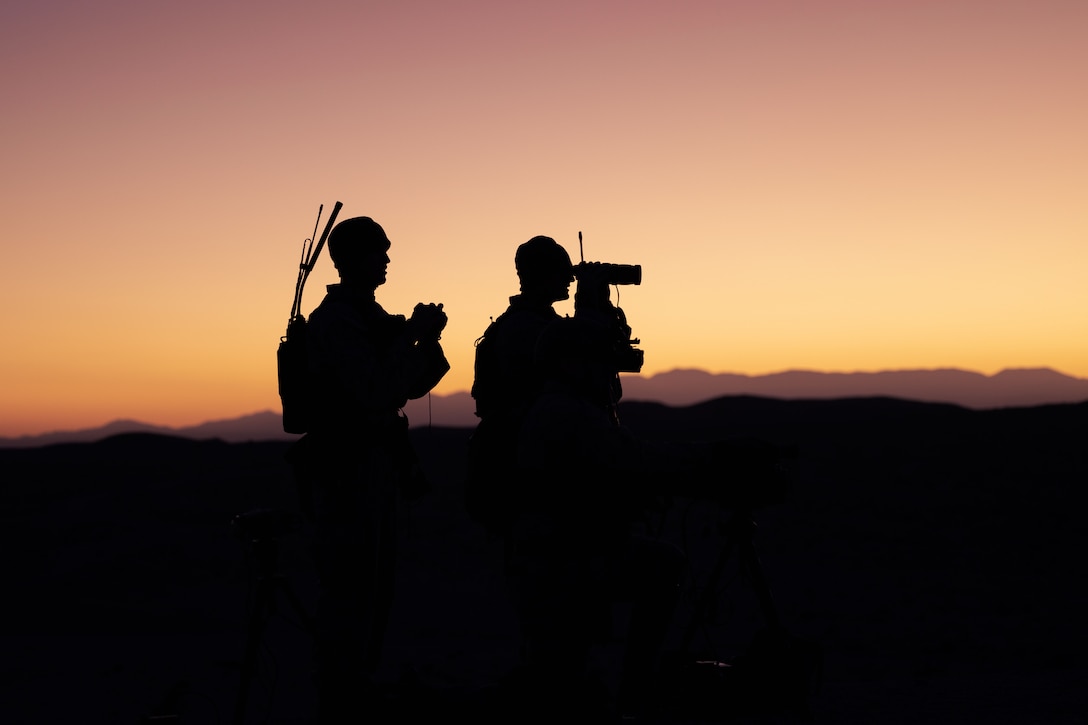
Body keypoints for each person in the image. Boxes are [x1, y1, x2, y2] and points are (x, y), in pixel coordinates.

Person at [505, 315, 712, 719]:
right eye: (599, 362)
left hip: (556, 549)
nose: (607, 373)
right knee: (665, 565)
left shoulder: (561, 407)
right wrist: (709, 462)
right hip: (562, 556)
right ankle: (635, 692)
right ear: (571, 364)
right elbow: (633, 458)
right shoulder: (568, 411)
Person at [288, 215, 449, 722]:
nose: (386, 259)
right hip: (346, 470)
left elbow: (411, 383)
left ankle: (356, 687)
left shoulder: (367, 316)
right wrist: (411, 339)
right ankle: (340, 695)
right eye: (378, 251)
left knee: (373, 588)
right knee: (350, 590)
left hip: (372, 467)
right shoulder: (336, 321)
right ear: (351, 258)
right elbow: (375, 390)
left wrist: (423, 339)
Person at [466, 235, 575, 535]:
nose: (570, 279)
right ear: (543, 275)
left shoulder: (538, 322)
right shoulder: (526, 327)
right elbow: (567, 381)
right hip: (527, 463)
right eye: (562, 271)